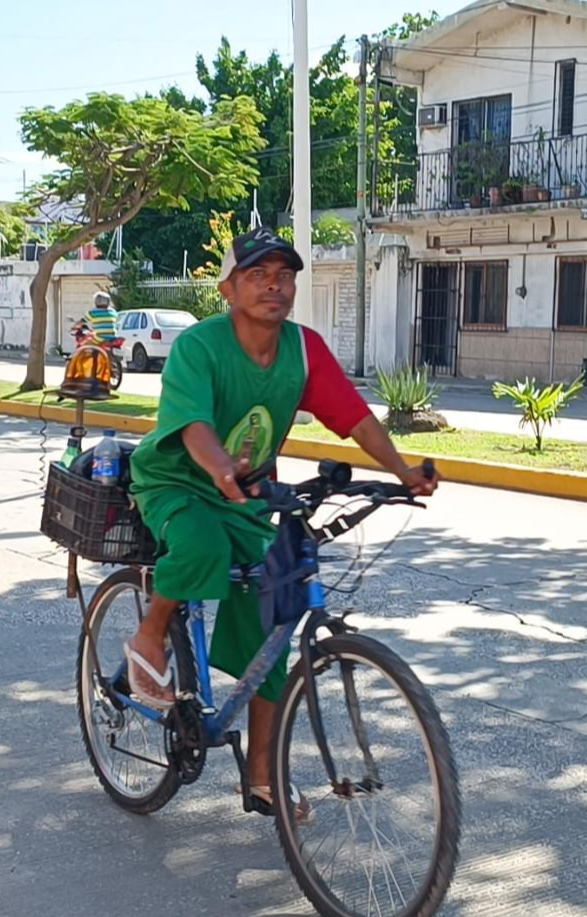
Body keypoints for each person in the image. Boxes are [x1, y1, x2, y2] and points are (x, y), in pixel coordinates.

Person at [126, 226, 440, 818]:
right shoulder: (200, 346)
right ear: (227, 287)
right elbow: (192, 424)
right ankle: (151, 630)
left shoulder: (303, 349)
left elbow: (352, 416)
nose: (274, 285)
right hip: (177, 481)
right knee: (200, 545)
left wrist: (402, 469)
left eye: (284, 275)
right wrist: (221, 469)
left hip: (246, 494)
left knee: (277, 614)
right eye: (257, 274)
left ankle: (263, 773)